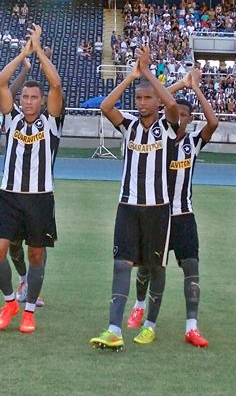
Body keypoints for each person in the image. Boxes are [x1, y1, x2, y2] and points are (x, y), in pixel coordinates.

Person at [89, 46, 180, 351]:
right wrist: (131, 77)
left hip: (158, 209)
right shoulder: (128, 126)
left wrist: (149, 73)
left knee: (155, 268)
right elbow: (106, 105)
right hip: (127, 206)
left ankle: (150, 325)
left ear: (155, 99)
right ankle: (114, 328)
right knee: (121, 265)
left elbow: (172, 104)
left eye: (147, 98)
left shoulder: (167, 128)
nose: (142, 103)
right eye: (139, 99)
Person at [127, 68, 219, 348]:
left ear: (189, 120)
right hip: (157, 215)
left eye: (184, 115)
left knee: (191, 268)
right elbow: (161, 102)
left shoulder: (192, 143)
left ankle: (192, 326)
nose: (179, 117)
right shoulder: (157, 138)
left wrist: (196, 89)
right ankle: (141, 306)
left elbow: (213, 122)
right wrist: (177, 88)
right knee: (149, 270)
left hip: (184, 216)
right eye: (175, 112)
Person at [0, 24, 63, 334]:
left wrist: (41, 50)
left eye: (35, 97)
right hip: (9, 196)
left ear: (42, 101)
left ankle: (29, 310)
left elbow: (56, 85)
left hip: (40, 198)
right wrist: (23, 54)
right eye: (26, 97)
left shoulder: (51, 123)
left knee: (35, 254)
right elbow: (1, 82)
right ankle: (10, 302)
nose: (29, 101)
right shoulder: (12, 119)